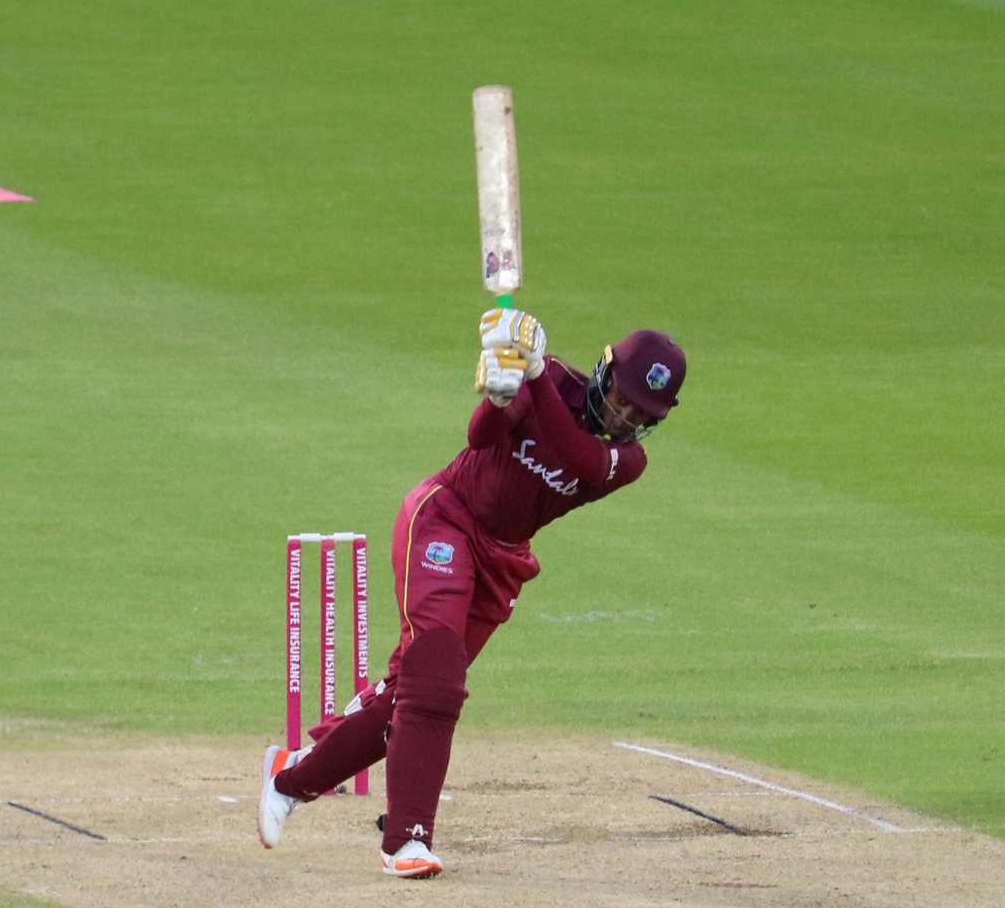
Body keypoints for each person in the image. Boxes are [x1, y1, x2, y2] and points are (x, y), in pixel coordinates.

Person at [258, 308, 685, 877]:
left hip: (503, 562)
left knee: (406, 697)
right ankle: (407, 841)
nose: (624, 414)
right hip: (445, 519)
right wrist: (501, 396)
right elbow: (479, 436)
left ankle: (291, 777)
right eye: (624, 398)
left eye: (640, 413)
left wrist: (527, 377)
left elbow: (573, 456)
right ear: (606, 372)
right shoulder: (553, 378)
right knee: (433, 682)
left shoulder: (625, 460)